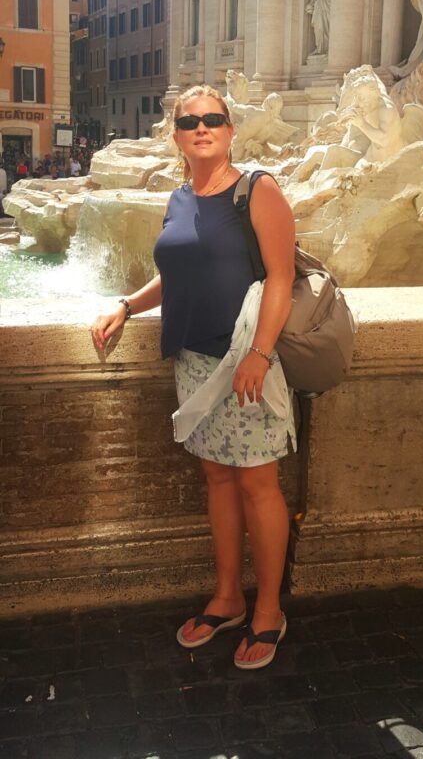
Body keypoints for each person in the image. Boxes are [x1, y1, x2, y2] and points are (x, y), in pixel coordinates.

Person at [90, 84, 297, 669]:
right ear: (176, 135)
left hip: (247, 361)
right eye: (190, 121)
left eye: (213, 119)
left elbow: (281, 277)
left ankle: (269, 610)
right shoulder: (179, 199)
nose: (202, 127)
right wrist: (127, 305)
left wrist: (259, 353)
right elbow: (175, 275)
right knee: (218, 481)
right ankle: (229, 596)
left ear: (230, 130)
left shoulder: (257, 189)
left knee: (259, 483)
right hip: (194, 360)